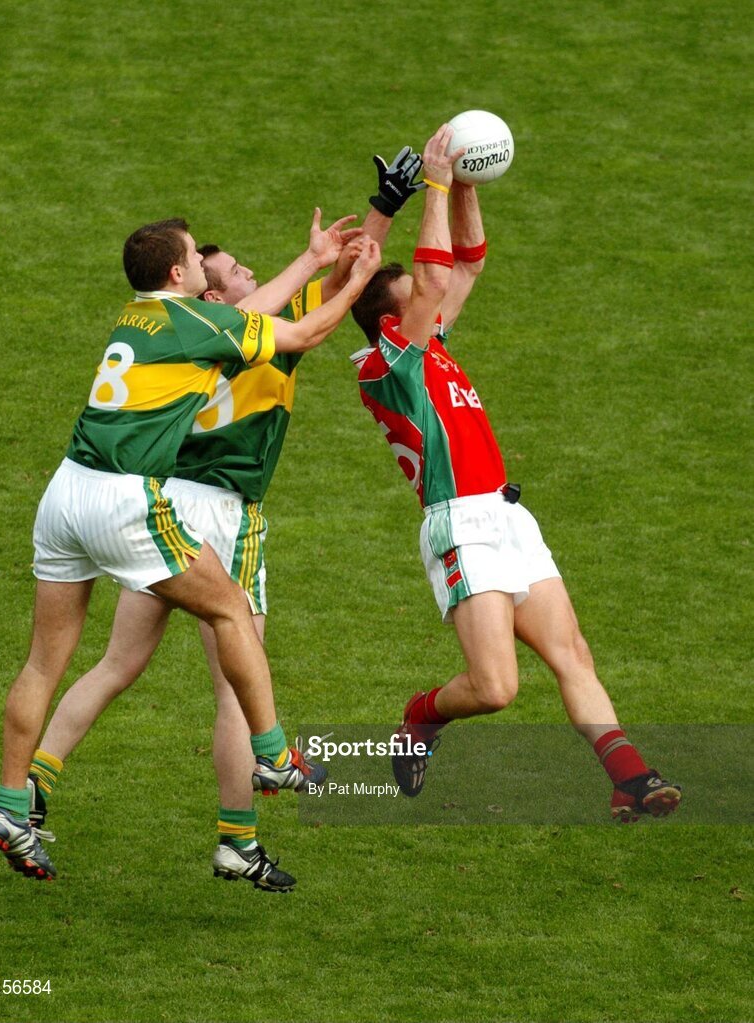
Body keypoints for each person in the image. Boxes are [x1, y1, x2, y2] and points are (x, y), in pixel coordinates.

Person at [21, 150, 425, 891]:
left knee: (117, 663)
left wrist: (372, 218)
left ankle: (35, 781)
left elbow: (331, 274)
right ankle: (239, 836)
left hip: (154, 504)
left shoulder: (189, 328)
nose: (249, 275)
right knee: (238, 680)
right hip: (222, 514)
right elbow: (343, 286)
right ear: (210, 291)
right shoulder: (246, 330)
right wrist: (384, 210)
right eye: (236, 272)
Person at [350, 125, 682, 822]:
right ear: (392, 318)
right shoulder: (389, 364)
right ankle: (420, 716)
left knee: (572, 653)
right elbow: (436, 275)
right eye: (419, 297)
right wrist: (435, 183)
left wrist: (466, 185)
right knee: (495, 688)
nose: (436, 295)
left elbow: (466, 262)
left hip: (506, 516)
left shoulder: (428, 342)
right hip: (460, 524)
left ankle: (630, 778)